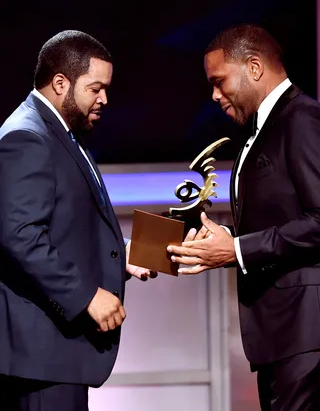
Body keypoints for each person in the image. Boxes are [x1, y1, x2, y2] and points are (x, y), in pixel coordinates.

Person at [0, 30, 156, 411]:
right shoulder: (27, 136)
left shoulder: (58, 132)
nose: (104, 99)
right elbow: (19, 235)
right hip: (40, 358)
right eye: (95, 88)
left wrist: (121, 253)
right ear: (60, 83)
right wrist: (85, 295)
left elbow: (61, 228)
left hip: (54, 356)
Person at [167, 24, 320, 410]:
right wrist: (222, 241)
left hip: (307, 335)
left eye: (219, 81)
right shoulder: (263, 128)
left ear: (253, 67)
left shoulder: (302, 119)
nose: (214, 95)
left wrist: (236, 249)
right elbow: (281, 222)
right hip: (280, 339)